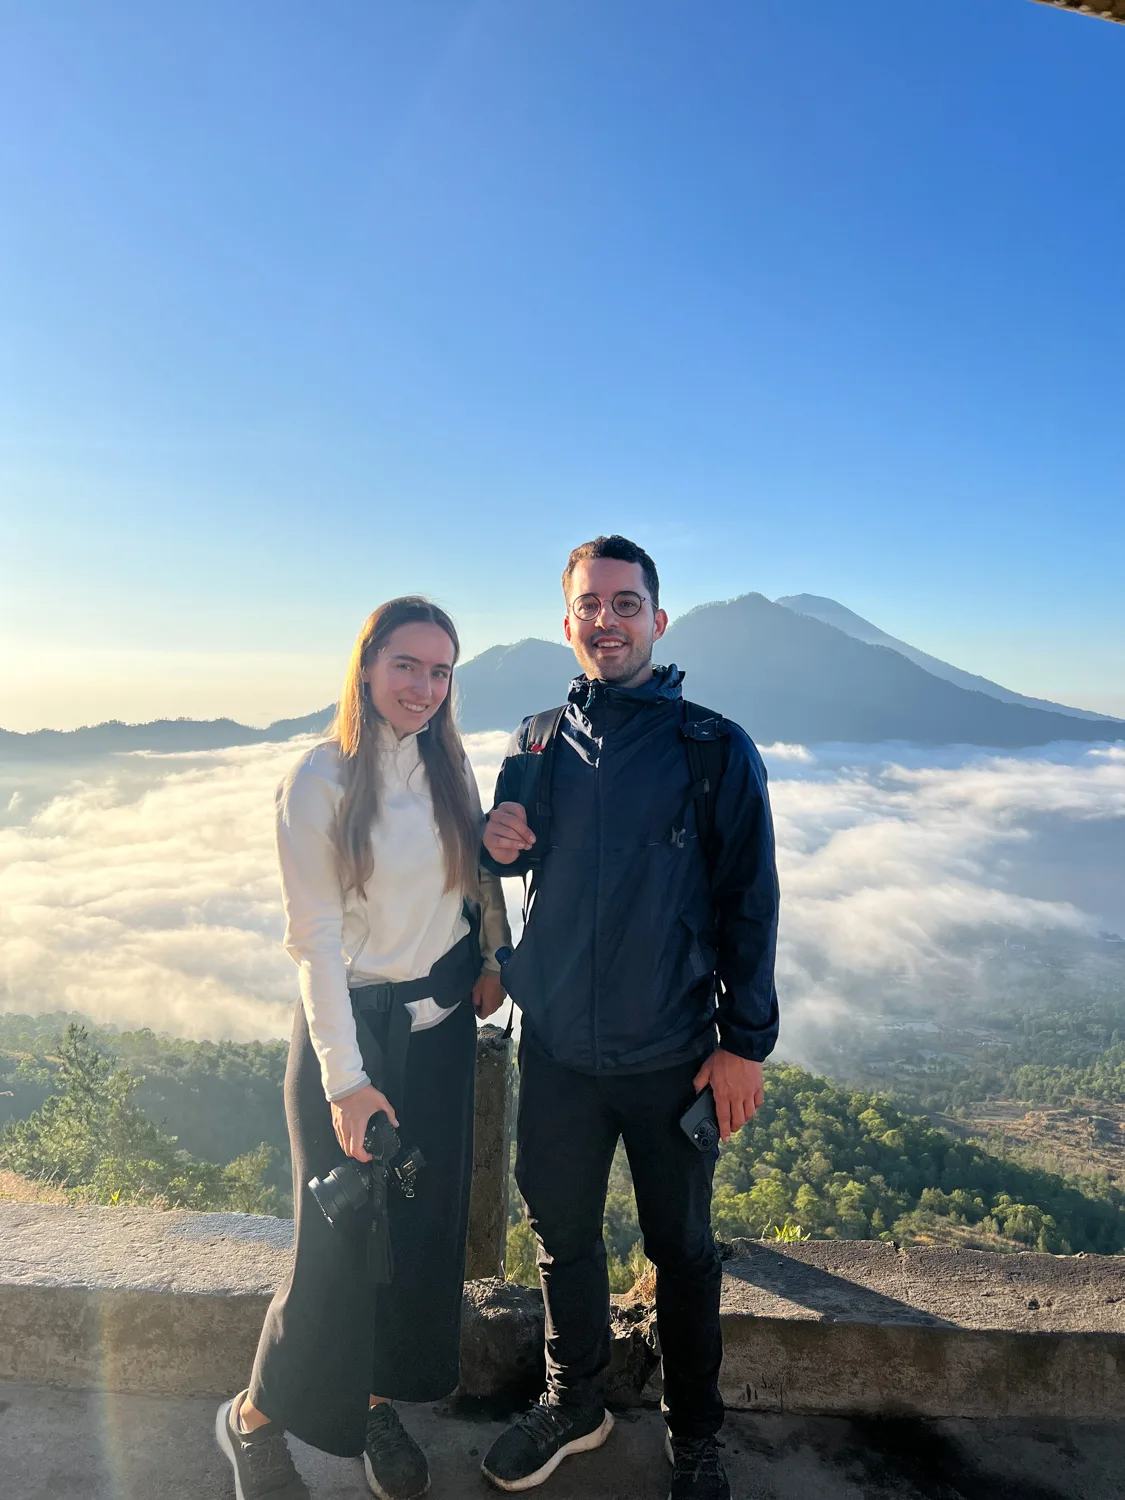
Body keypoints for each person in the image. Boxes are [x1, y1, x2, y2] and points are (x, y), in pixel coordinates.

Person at [479, 536, 779, 1500]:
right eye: (588, 605)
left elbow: (750, 902)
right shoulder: (532, 743)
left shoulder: (711, 748)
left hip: (672, 1052)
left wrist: (743, 1044)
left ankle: (696, 1437)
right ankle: (575, 1403)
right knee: (562, 1238)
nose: (604, 620)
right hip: (560, 1052)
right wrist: (496, 845)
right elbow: (514, 859)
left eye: (624, 603)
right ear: (565, 621)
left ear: (658, 616)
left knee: (683, 1252)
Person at [215, 596, 511, 1500]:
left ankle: (376, 1406)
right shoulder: (320, 778)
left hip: (440, 1033)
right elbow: (316, 941)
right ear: (366, 666)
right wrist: (347, 1083)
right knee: (336, 1252)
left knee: (419, 1240)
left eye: (440, 671)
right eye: (405, 667)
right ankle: (252, 1418)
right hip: (352, 1044)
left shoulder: (447, 761)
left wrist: (491, 954)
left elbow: (464, 885)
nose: (423, 687)